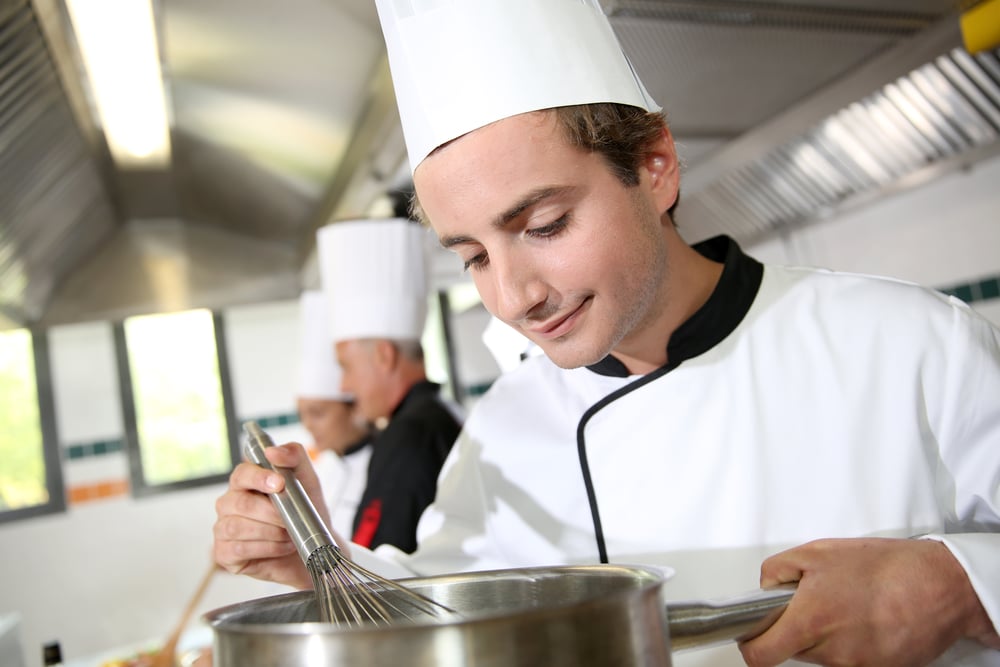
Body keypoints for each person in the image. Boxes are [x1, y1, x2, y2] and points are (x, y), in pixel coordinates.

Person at [214, 1, 1000, 665]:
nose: (514, 295)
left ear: (656, 165)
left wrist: (959, 583)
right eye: (475, 255)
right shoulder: (504, 431)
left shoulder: (909, 344)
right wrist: (315, 562)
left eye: (545, 224)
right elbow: (439, 617)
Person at [316, 218, 462, 553]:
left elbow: (380, 565)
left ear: (384, 356)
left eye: (346, 366)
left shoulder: (408, 436)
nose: (344, 384)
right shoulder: (439, 415)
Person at [294, 289, 373, 539]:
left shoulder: (383, 467)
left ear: (355, 408)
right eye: (302, 415)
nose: (308, 426)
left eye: (317, 414)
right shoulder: (322, 470)